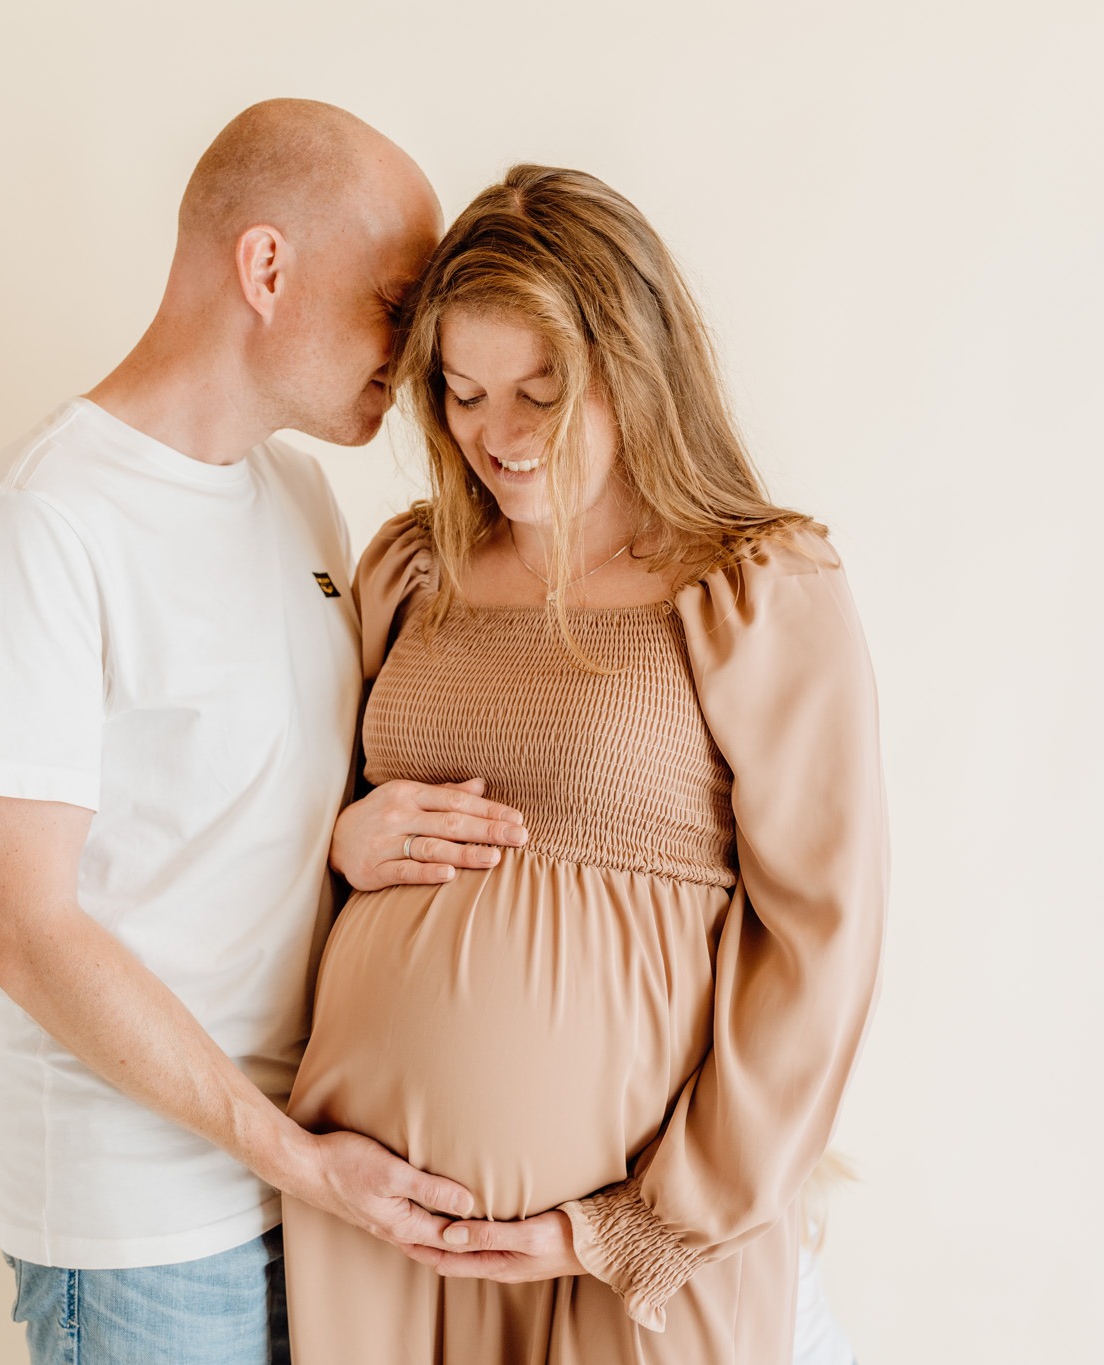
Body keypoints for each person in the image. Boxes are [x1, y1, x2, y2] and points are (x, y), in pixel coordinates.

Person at [0, 100, 530, 1365]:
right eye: (394, 302)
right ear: (264, 267)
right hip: (144, 1222)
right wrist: (295, 1160)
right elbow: (16, 926)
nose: (417, 351)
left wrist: (344, 839)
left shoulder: (298, 495)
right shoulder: (42, 523)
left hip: (307, 1183)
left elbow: (238, 809)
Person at [285, 164, 890, 1362]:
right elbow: (283, 815)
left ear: (634, 368)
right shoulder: (409, 570)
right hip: (380, 1232)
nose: (497, 438)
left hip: (624, 1256)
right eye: (462, 393)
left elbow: (821, 939)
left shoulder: (751, 589)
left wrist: (637, 1227)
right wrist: (338, 840)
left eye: (540, 392)